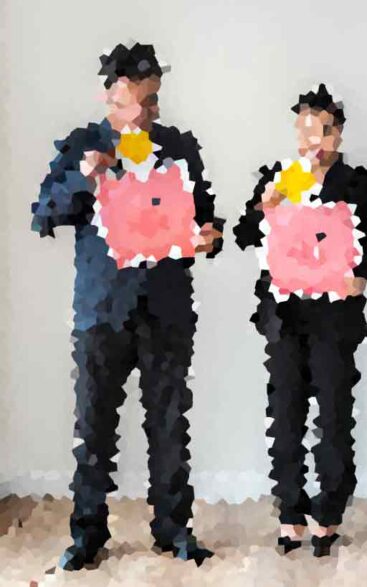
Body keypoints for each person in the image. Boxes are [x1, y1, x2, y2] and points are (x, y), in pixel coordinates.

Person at [31, 43, 222, 570]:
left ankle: (174, 531)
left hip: (167, 307)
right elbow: (43, 215)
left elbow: (206, 217)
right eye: (131, 102)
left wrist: (211, 237)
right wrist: (83, 176)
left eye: (151, 101)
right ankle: (87, 535)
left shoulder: (179, 147)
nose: (142, 113)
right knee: (93, 430)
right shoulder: (81, 145)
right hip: (101, 310)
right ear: (109, 97)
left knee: (170, 425)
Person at [234, 84, 367, 557]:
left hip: (335, 315)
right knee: (285, 415)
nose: (313, 142)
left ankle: (329, 513)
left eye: (323, 131)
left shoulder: (356, 182)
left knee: (335, 414)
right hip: (284, 315)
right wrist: (264, 205)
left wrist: (363, 275)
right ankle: (290, 512)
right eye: (305, 131)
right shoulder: (278, 176)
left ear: (338, 134)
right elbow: (243, 234)